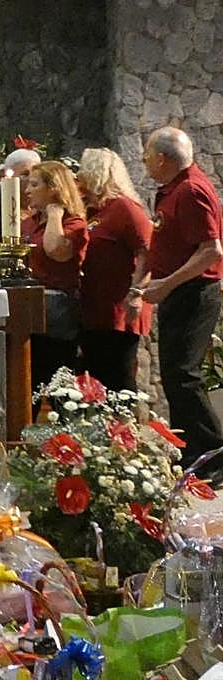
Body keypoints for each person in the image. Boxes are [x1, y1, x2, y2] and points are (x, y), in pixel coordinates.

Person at [136, 127, 223, 463]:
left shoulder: (190, 191)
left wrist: (167, 283)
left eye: (147, 155)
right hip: (181, 290)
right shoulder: (175, 189)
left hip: (194, 292)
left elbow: (210, 251)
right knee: (175, 376)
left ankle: (213, 454)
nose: (144, 160)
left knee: (184, 376)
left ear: (162, 158)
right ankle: (190, 455)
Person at [77, 148, 152, 392]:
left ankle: (126, 418)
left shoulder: (124, 208)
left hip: (119, 308)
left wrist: (136, 293)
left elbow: (147, 251)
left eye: (84, 169)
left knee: (119, 376)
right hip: (93, 307)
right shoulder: (92, 210)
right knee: (95, 377)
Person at [21, 160, 88, 388]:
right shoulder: (29, 223)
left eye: (34, 184)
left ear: (53, 188)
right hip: (30, 309)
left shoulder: (74, 223)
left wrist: (55, 216)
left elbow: (55, 250)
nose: (27, 190)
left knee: (53, 378)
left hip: (58, 314)